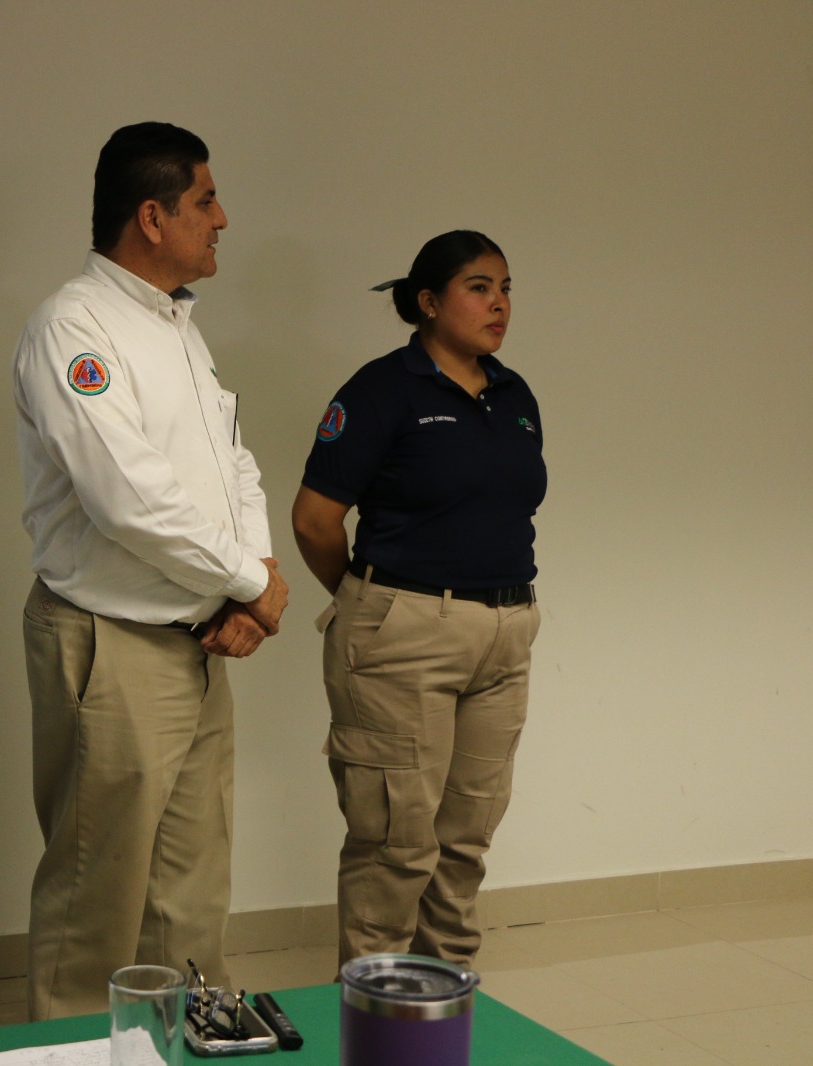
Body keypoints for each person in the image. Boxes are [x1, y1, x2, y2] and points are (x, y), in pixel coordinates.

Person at [12, 121, 289, 1020]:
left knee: (191, 900)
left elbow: (233, 464)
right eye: (206, 199)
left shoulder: (178, 328)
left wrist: (252, 577)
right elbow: (127, 498)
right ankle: (71, 1053)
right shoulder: (75, 328)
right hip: (112, 644)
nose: (223, 218)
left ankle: (185, 1045)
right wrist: (248, 582)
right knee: (94, 901)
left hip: (198, 643)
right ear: (152, 217)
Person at [291, 230, 545, 970]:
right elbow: (313, 520)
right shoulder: (380, 390)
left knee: (465, 842)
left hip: (506, 634)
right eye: (479, 287)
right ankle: (377, 1013)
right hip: (404, 634)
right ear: (429, 302)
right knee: (396, 845)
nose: (499, 304)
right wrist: (372, 605)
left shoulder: (514, 394)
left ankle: (446, 1002)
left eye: (506, 288)